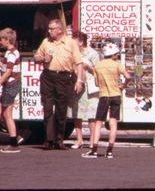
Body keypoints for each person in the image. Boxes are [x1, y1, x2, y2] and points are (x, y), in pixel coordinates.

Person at [34, 19, 84, 150]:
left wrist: (79, 80)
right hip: (48, 76)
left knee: (61, 109)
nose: (49, 31)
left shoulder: (71, 43)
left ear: (60, 30)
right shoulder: (46, 41)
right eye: (49, 28)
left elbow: (79, 63)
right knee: (48, 109)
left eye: (51, 29)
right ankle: (48, 139)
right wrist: (44, 58)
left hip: (63, 77)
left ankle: (59, 139)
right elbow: (36, 57)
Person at [81, 42, 131, 159]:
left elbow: (97, 83)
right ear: (113, 55)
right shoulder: (117, 65)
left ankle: (94, 150)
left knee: (99, 122)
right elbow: (128, 77)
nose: (117, 56)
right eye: (116, 54)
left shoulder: (98, 66)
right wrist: (123, 85)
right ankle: (109, 151)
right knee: (113, 123)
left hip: (104, 96)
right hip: (116, 95)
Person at [69, 31, 100, 150]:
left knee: (91, 114)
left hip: (90, 87)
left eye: (74, 41)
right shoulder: (73, 53)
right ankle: (79, 140)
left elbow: (98, 71)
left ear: (81, 42)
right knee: (77, 113)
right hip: (76, 84)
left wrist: (89, 67)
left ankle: (92, 140)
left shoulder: (92, 53)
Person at [0, 28, 21, 153]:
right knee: (5, 114)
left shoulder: (11, 53)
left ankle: (14, 143)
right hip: (12, 85)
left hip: (11, 85)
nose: (0, 41)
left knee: (7, 115)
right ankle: (14, 140)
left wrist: (1, 81)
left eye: (2, 39)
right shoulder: (9, 53)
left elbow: (8, 71)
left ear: (7, 40)